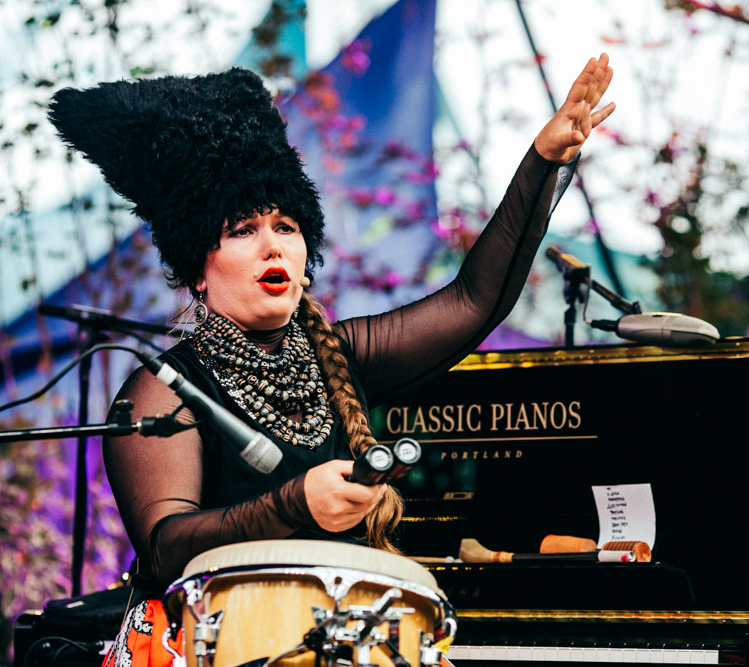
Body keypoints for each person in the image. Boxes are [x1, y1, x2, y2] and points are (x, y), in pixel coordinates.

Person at [47, 54, 614, 666]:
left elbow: (475, 300)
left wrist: (544, 162)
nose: (273, 244)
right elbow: (164, 552)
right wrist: (292, 503)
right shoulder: (163, 391)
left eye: (286, 226)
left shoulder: (339, 354)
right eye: (243, 230)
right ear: (197, 272)